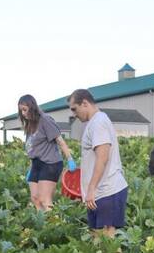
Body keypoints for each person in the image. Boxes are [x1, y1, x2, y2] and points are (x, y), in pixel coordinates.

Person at [68, 89, 128, 235]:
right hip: (98, 192)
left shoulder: (99, 122)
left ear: (85, 103)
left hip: (107, 190)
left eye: (74, 109)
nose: (74, 114)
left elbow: (103, 157)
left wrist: (91, 189)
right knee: (96, 237)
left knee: (108, 241)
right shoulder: (95, 122)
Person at [17, 94, 76, 211]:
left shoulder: (45, 120)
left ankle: (53, 225)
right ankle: (43, 225)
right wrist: (31, 168)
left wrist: (70, 159)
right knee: (35, 198)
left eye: (25, 109)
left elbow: (60, 141)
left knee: (45, 199)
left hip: (50, 163)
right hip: (36, 164)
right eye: (21, 111)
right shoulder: (30, 125)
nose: (23, 113)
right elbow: (33, 149)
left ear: (32, 107)